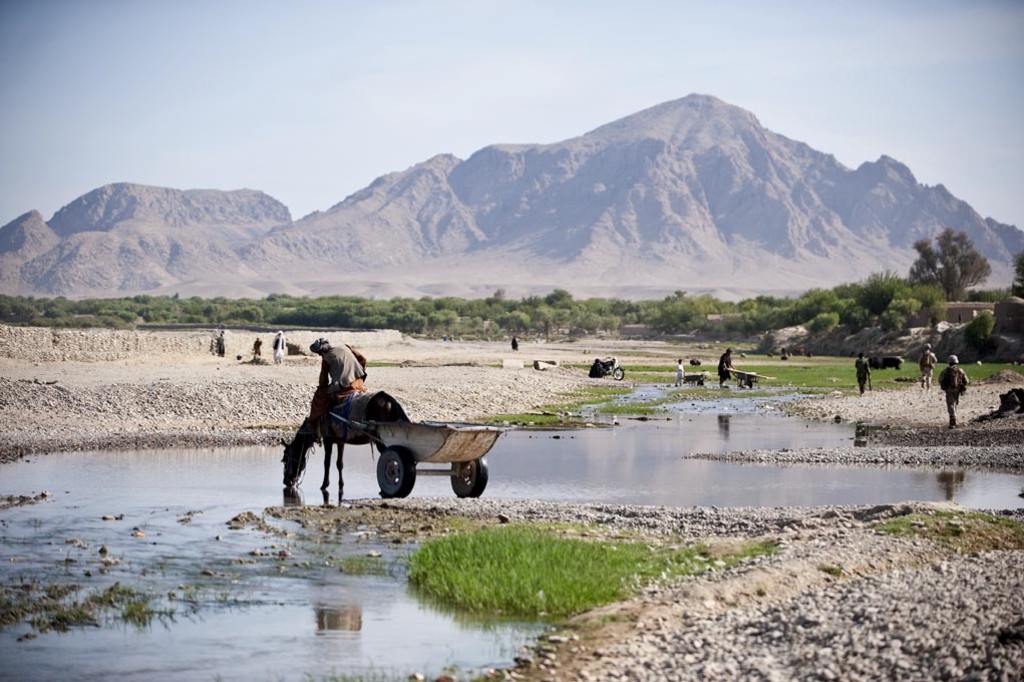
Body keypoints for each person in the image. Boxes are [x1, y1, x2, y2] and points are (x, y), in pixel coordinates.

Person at [306, 338, 367, 431]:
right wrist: (358, 372)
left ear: (322, 350)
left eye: (319, 352)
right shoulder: (345, 346)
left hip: (346, 387)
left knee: (319, 396)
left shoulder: (326, 358)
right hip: (358, 382)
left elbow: (323, 379)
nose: (319, 354)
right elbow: (363, 359)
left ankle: (313, 423)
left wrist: (321, 389)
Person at [938, 355, 969, 428]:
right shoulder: (960, 370)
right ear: (956, 362)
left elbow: (940, 379)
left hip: (949, 389)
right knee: (955, 403)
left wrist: (945, 386)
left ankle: (953, 420)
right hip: (958, 390)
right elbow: (967, 381)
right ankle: (955, 420)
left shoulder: (946, 371)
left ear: (949, 362)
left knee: (950, 404)